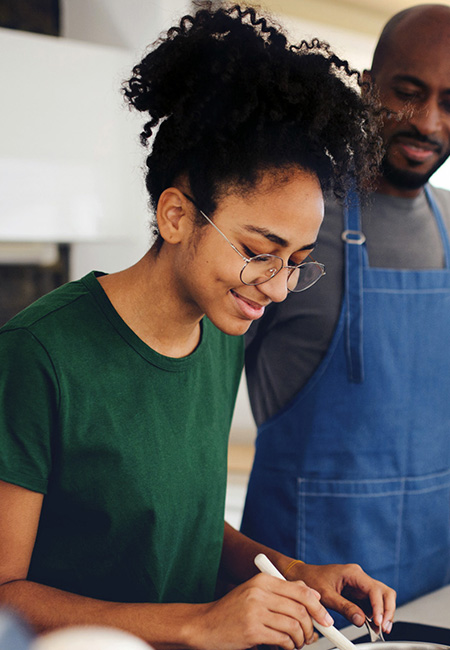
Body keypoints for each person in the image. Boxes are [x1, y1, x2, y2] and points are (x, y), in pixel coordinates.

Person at [0, 4, 396, 648]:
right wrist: (197, 623)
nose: (276, 287)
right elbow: (5, 597)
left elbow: (176, 521)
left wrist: (294, 574)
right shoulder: (39, 353)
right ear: (178, 215)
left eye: (297, 263)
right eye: (258, 251)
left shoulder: (219, 333)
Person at [242, 1, 450, 624]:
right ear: (366, 86)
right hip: (302, 597)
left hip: (434, 578)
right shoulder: (292, 221)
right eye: (408, 93)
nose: (428, 122)